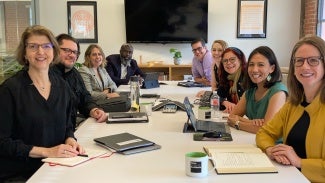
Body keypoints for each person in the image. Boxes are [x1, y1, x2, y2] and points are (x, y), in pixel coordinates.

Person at [0, 25, 84, 182]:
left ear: (54, 51)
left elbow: (67, 127)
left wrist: (70, 140)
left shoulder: (62, 87)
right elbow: (2, 142)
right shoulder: (10, 90)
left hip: (57, 167)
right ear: (24, 53)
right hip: (21, 174)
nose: (40, 52)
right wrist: (47, 152)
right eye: (33, 46)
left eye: (46, 46)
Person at [256, 35, 325, 183]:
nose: (305, 66)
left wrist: (299, 162)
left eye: (313, 60)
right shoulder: (292, 105)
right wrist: (271, 150)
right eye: (299, 61)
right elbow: (264, 132)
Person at [227, 46, 288, 133]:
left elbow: (266, 129)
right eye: (251, 65)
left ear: (272, 68)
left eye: (261, 65)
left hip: (273, 145)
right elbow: (231, 117)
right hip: (253, 140)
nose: (255, 70)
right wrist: (252, 122)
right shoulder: (250, 91)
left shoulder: (278, 92)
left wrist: (238, 123)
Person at [52, 34, 107, 128]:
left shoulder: (74, 73)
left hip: (71, 131)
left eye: (75, 52)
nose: (72, 55)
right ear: (54, 50)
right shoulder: (46, 74)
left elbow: (85, 97)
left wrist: (94, 110)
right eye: (67, 50)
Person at [217, 47, 247, 113]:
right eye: (225, 60)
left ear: (240, 60)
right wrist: (224, 102)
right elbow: (217, 96)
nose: (228, 63)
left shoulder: (248, 76)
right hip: (235, 116)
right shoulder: (227, 77)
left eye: (232, 59)